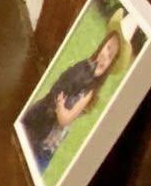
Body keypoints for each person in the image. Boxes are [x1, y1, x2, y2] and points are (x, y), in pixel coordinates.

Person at [21, 23, 125, 169]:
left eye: (111, 56)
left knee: (28, 167)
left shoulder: (89, 92)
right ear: (102, 45)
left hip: (45, 144)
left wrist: (60, 105)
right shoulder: (83, 66)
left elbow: (65, 120)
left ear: (111, 65)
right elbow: (62, 81)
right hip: (39, 115)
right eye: (107, 47)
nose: (105, 55)